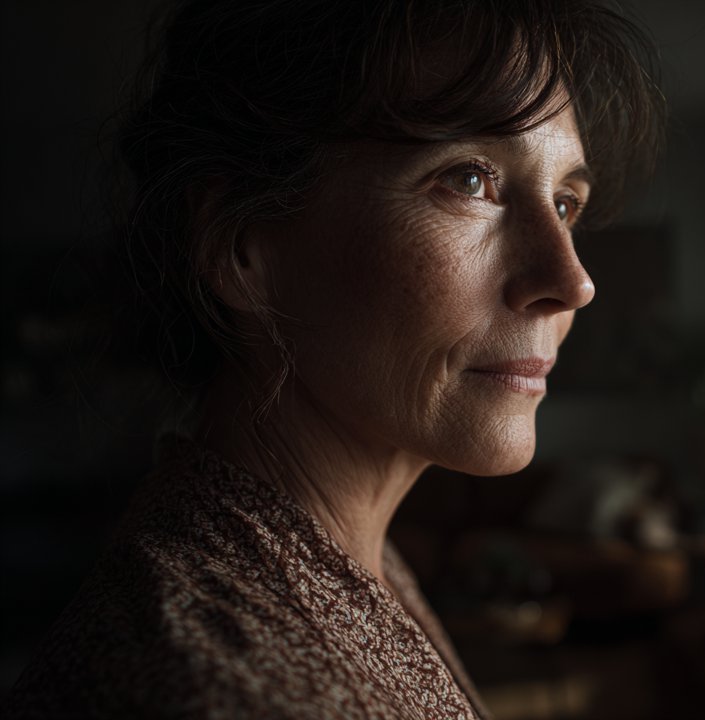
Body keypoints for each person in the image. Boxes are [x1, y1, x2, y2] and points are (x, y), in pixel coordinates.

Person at [4, 0, 663, 717]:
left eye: (566, 203)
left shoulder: (344, 558)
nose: (573, 283)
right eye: (469, 179)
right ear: (241, 247)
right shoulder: (221, 688)